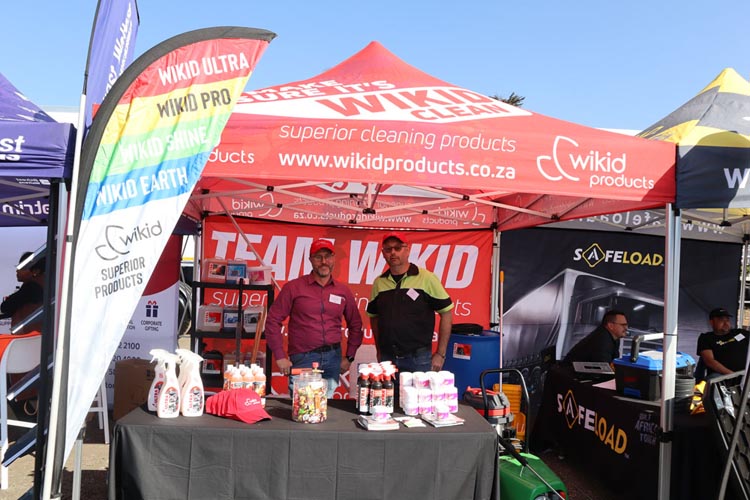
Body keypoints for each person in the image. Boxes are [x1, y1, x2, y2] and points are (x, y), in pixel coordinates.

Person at [265, 239, 363, 397]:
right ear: (310, 259)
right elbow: (272, 321)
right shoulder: (293, 288)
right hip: (303, 358)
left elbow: (356, 324)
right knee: (303, 406)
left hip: (333, 359)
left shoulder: (342, 291)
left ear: (334, 259)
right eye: (318, 257)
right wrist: (280, 356)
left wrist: (349, 357)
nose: (324, 261)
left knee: (327, 406)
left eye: (328, 256)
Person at [367, 232, 454, 373]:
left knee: (418, 390)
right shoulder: (379, 282)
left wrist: (440, 354)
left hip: (419, 358)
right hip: (388, 358)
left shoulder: (426, 278)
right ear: (383, 254)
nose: (393, 253)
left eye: (397, 248)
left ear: (407, 250)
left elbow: (446, 312)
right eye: (388, 249)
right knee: (389, 389)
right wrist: (379, 350)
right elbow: (374, 317)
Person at [696, 307, 749, 377]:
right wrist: (732, 375)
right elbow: (709, 361)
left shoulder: (740, 332)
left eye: (727, 320)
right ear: (712, 322)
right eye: (721, 320)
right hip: (721, 376)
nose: (726, 323)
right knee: (714, 377)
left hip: (745, 375)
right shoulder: (706, 338)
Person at [0, 252, 44, 334]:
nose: (17, 270)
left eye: (22, 268)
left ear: (36, 271)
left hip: (29, 336)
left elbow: (5, 307)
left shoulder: (31, 287)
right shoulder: (40, 284)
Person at [564, 310, 629, 364]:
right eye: (623, 325)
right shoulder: (602, 340)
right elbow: (605, 369)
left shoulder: (614, 338)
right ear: (610, 326)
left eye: (626, 325)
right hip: (570, 372)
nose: (626, 328)